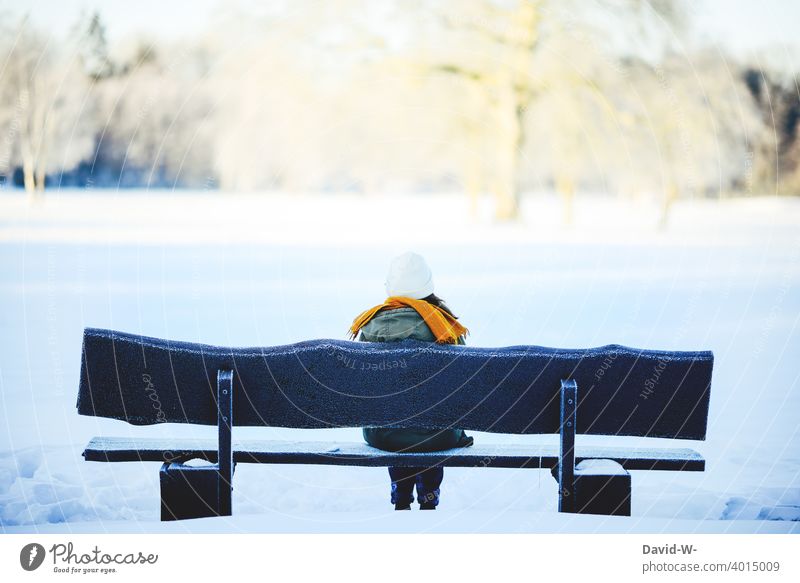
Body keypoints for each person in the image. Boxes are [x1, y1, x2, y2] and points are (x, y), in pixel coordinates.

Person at [348, 252, 474, 510]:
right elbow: (460, 384)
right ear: (429, 286)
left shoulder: (371, 326)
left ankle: (402, 492)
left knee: (395, 416)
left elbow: (363, 385)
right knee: (432, 419)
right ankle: (429, 493)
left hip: (384, 435)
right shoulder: (445, 327)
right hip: (440, 436)